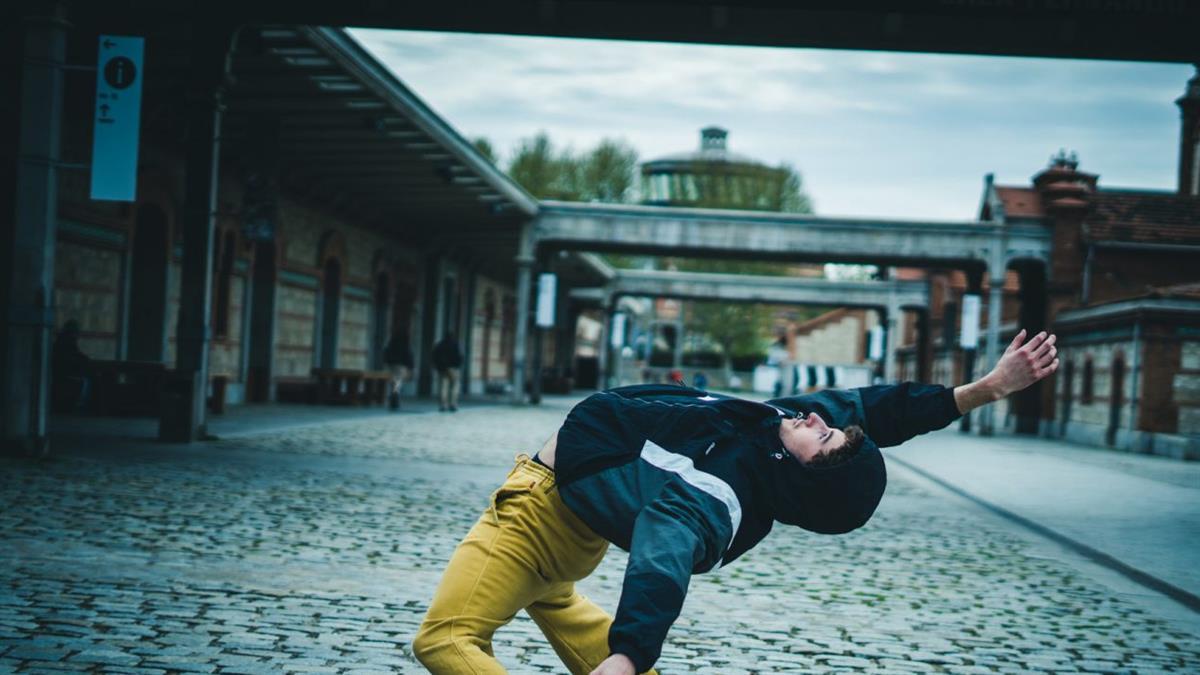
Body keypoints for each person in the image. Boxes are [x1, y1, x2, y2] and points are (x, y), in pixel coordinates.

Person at [413, 329, 1058, 675]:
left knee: (445, 640)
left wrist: (633, 650)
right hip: (571, 535)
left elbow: (666, 548)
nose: (815, 416)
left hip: (538, 515)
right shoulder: (778, 431)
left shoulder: (726, 494)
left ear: (805, 476)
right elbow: (874, 408)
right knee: (552, 600)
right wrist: (987, 388)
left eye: (823, 435)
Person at [52, 319, 92, 412]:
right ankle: (81, 406)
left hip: (61, 375)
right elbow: (73, 356)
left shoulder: (61, 341)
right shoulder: (68, 342)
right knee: (86, 380)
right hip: (66, 376)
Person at [432, 332, 463, 412]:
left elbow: (434, 356)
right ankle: (453, 404)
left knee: (443, 387)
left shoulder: (440, 345)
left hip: (442, 369)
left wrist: (438, 366)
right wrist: (458, 365)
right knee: (455, 386)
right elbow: (460, 356)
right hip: (453, 368)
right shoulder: (455, 344)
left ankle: (443, 405)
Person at [383, 333, 414, 411]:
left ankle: (393, 397)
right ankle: (395, 398)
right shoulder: (405, 345)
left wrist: (387, 362)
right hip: (401, 366)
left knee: (393, 382)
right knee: (398, 383)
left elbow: (386, 353)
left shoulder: (391, 344)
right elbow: (409, 356)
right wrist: (410, 367)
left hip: (391, 365)